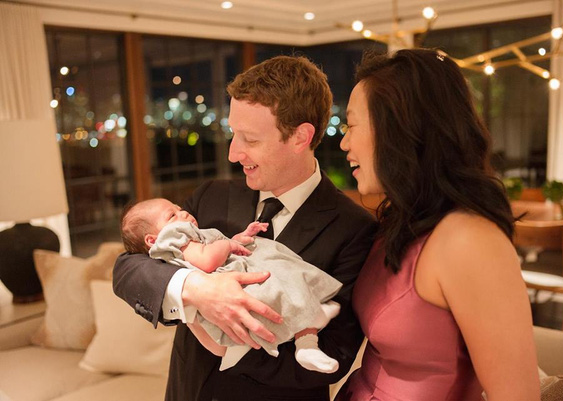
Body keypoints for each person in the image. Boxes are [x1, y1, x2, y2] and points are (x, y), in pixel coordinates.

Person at [113, 55, 378, 401]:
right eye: (232, 134)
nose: (233, 153)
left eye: (249, 139)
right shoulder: (210, 197)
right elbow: (128, 267)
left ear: (301, 137)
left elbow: (335, 354)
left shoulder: (354, 228)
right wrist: (196, 289)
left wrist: (231, 347)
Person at [335, 49, 540, 401]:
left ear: (401, 127)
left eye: (351, 126)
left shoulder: (470, 240)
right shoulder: (401, 220)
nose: (343, 142)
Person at [120, 197, 343, 373]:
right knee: (270, 291)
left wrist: (238, 239)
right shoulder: (174, 237)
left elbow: (215, 247)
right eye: (172, 214)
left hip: (280, 384)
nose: (183, 212)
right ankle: (308, 325)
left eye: (179, 208)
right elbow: (207, 259)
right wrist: (226, 247)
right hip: (228, 298)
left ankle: (307, 343)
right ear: (152, 240)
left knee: (278, 287)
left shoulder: (350, 223)